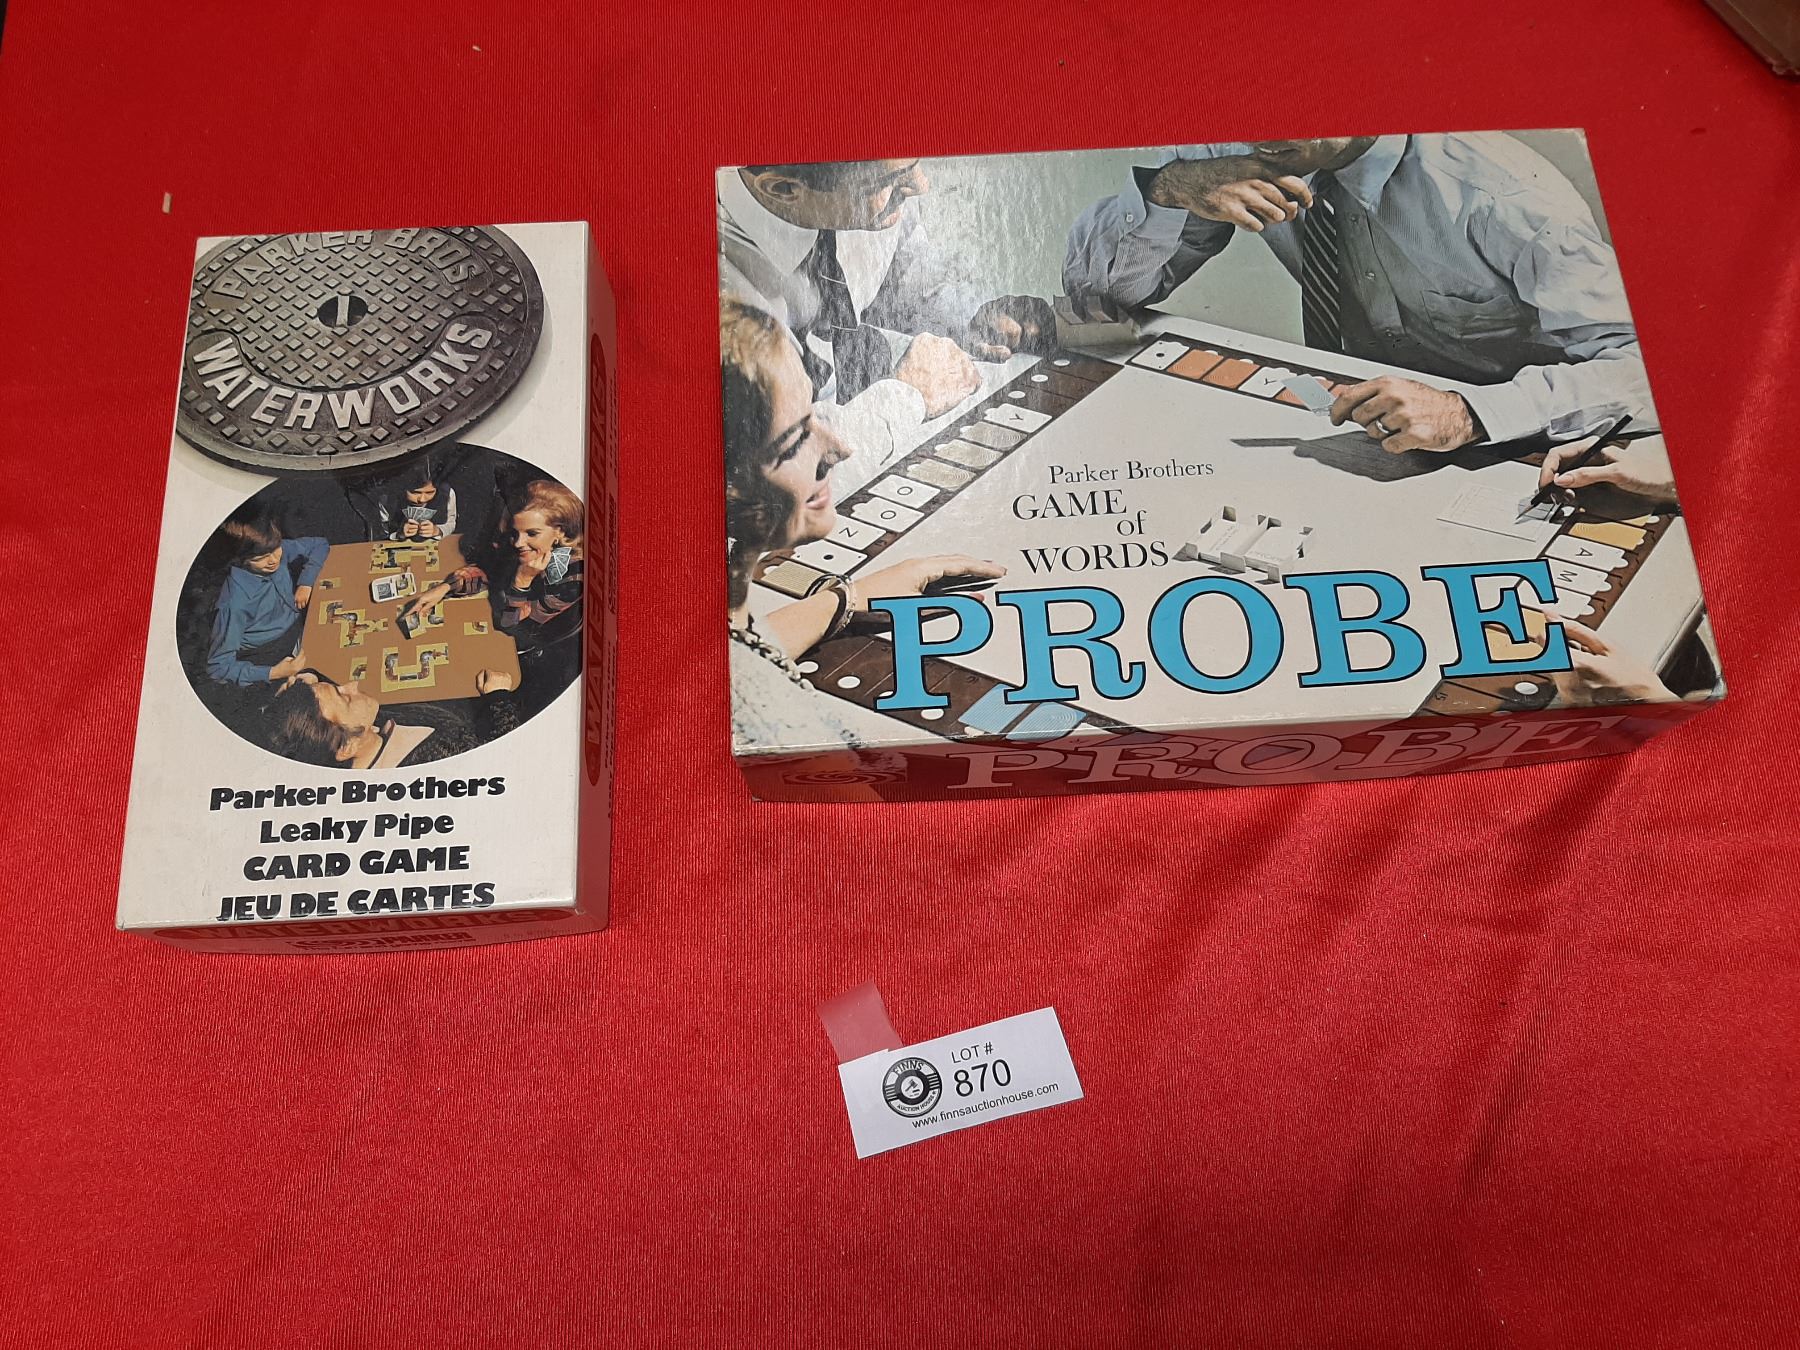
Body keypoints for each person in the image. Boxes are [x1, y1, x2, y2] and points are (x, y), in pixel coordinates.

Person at [1063, 134, 1654, 453]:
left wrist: (1469, 413)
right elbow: (1098, 301)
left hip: (1536, 437)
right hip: (1369, 435)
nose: (1259, 127)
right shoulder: (1236, 146)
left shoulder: (1500, 193)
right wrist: (1168, 190)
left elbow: (1647, 374)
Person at [721, 298, 1005, 751]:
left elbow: (732, 656)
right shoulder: (771, 723)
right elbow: (745, 685)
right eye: (793, 442)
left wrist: (845, 601)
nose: (839, 449)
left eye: (813, 412)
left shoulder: (709, 654)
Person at [719, 158, 1050, 491]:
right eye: (887, 181)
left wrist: (972, 316)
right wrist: (906, 398)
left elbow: (904, 274)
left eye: (914, 163)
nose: (920, 185)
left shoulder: (876, 193)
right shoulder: (724, 299)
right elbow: (777, 474)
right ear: (785, 189)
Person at [400, 478, 583, 716]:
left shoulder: (573, 578)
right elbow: (489, 570)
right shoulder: (518, 540)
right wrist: (445, 588)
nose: (519, 543)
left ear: (560, 531)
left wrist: (522, 581)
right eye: (515, 533)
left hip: (520, 645)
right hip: (496, 614)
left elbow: (513, 627)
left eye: (532, 533)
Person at [263, 668, 517, 769]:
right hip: (478, 717)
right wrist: (498, 697)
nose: (352, 685)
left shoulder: (352, 734)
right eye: (345, 697)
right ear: (347, 747)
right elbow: (507, 756)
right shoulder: (437, 760)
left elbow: (321, 712)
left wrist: (307, 679)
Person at [205, 510, 328, 686]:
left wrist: (306, 582)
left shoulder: (272, 548)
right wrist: (274, 672)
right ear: (240, 560)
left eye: (276, 550)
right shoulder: (234, 604)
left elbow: (319, 544)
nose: (273, 560)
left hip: (300, 623)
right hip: (272, 651)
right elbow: (218, 667)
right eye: (261, 558)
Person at [377, 457, 458, 540]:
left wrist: (437, 530)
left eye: (430, 492)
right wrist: (398, 534)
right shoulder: (387, 500)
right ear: (403, 489)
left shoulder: (447, 493)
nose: (422, 499)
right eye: (415, 493)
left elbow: (451, 523)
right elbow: (383, 531)